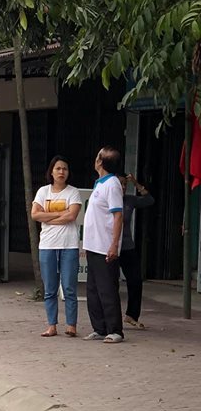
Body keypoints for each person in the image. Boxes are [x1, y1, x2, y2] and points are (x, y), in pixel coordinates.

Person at [31, 155, 82, 337]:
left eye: (65, 169)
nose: (61, 172)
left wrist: (48, 216)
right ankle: (51, 325)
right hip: (47, 245)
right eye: (58, 168)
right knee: (50, 288)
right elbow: (35, 215)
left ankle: (71, 325)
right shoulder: (43, 192)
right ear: (51, 172)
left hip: (68, 245)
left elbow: (72, 216)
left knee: (69, 287)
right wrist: (61, 214)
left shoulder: (73, 192)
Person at [83, 146, 125, 343]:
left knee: (107, 289)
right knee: (93, 289)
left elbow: (118, 216)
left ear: (100, 162)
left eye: (97, 156)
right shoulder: (100, 183)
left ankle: (115, 330)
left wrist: (114, 244)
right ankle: (99, 328)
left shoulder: (113, 184)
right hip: (93, 245)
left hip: (104, 246)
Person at [118, 173, 154, 330]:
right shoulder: (104, 201)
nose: (123, 187)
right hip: (109, 247)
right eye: (120, 184)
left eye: (125, 184)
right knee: (110, 284)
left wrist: (136, 184)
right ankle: (109, 317)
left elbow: (149, 200)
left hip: (127, 246)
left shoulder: (129, 200)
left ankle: (131, 315)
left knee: (135, 280)